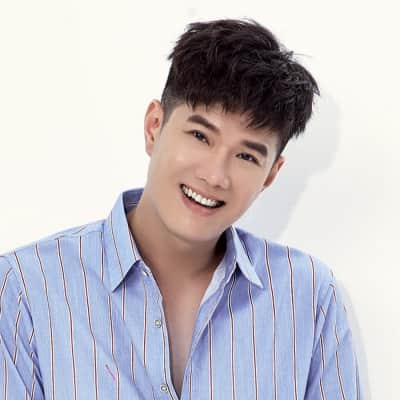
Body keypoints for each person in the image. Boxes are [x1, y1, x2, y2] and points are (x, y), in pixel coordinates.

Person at [0, 19, 361, 399]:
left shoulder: (308, 297)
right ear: (154, 126)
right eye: (200, 136)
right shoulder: (25, 290)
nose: (215, 175)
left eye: (246, 156)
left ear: (271, 174)